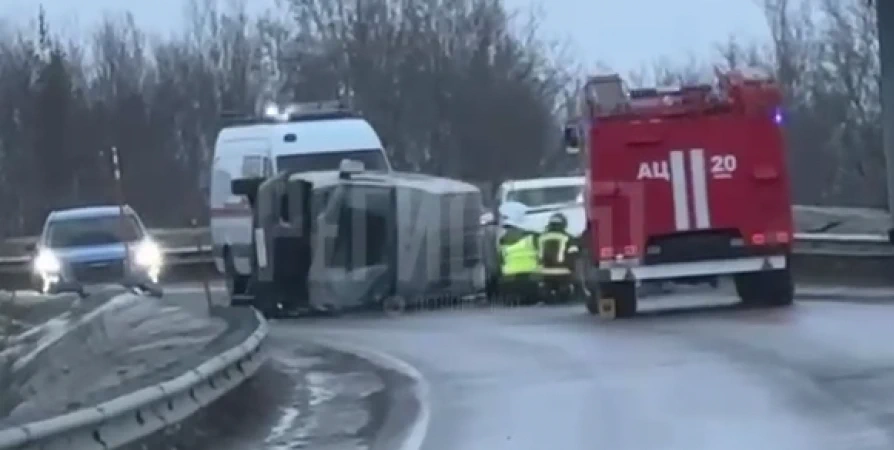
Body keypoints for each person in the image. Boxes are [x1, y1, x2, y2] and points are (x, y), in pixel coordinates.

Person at [496, 202, 541, 305]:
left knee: (513, 294)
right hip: (530, 273)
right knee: (531, 296)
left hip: (509, 274)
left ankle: (514, 300)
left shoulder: (503, 240)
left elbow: (500, 258)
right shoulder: (531, 237)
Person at [537, 212, 579, 302]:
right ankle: (565, 292)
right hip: (563, 271)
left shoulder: (541, 237)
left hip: (545, 271)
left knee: (546, 285)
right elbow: (573, 255)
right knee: (565, 286)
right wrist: (572, 270)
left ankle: (547, 293)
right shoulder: (568, 237)